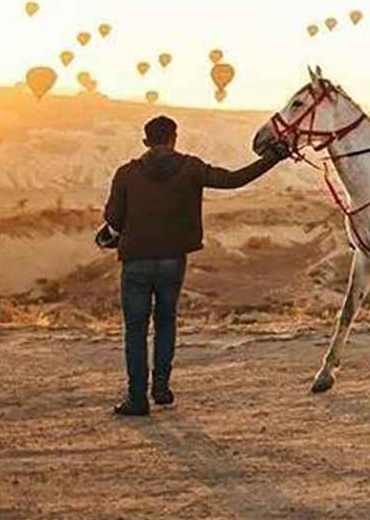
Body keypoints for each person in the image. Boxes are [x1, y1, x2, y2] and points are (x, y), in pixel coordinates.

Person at [98, 115, 288, 416]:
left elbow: (114, 219)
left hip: (136, 263)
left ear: (146, 141)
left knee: (135, 330)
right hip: (172, 260)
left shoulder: (126, 173)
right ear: (174, 138)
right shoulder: (191, 168)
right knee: (165, 322)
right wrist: (274, 157)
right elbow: (234, 179)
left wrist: (108, 236)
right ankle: (161, 387)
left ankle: (137, 398)